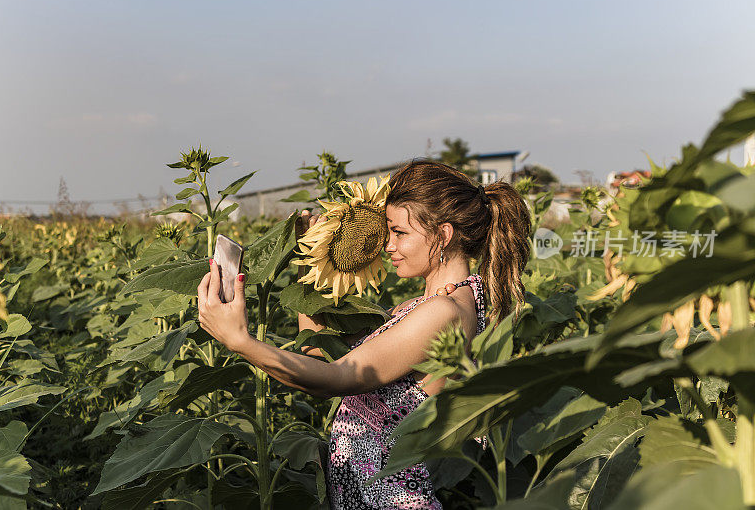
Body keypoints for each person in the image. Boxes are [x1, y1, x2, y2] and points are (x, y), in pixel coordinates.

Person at [197, 160, 531, 509]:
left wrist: (239, 341)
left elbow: (334, 378)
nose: (388, 246)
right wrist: (310, 262)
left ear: (443, 235)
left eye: (400, 233)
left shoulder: (442, 313)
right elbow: (319, 355)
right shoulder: (430, 303)